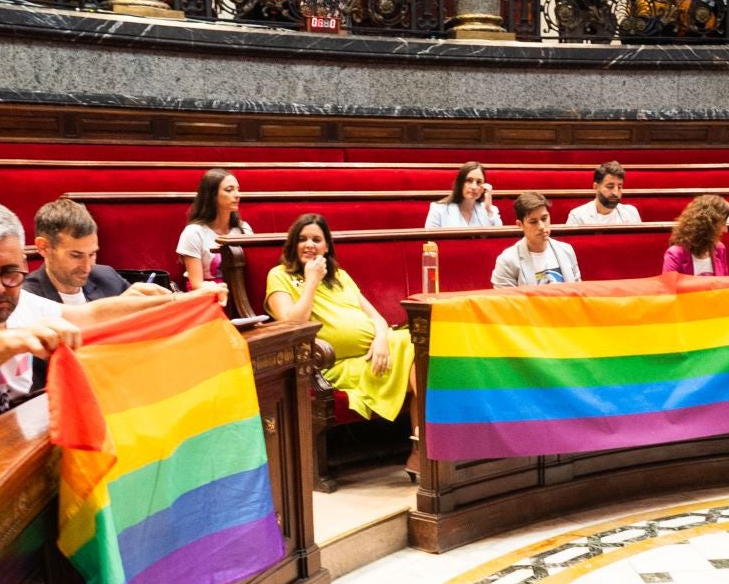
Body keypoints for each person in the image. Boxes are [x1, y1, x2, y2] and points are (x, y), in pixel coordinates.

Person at [0, 201, 194, 414]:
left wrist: (168, 302)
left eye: (10, 272)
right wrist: (19, 338)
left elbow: (88, 315)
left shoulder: (21, 303)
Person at [265, 213, 413, 421]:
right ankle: (425, 447)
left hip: (378, 352)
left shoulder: (340, 276)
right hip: (335, 364)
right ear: (292, 244)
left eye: (316, 240)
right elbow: (292, 326)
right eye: (302, 239)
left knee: (420, 344)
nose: (309, 245)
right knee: (421, 365)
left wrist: (381, 340)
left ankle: (420, 444)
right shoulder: (279, 275)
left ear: (326, 247)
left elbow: (377, 318)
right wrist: (311, 281)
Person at [24, 197, 169, 303]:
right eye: (76, 255)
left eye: (92, 254)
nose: (87, 267)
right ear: (44, 247)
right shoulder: (26, 298)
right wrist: (115, 310)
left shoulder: (107, 277)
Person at [177, 167, 253, 287]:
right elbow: (196, 284)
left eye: (238, 189)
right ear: (212, 196)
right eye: (229, 190)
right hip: (208, 295)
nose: (237, 195)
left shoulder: (244, 229)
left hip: (240, 291)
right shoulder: (193, 232)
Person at [492, 192, 580, 287]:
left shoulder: (566, 250)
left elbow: (578, 291)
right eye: (533, 222)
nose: (541, 226)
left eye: (544, 218)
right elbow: (506, 300)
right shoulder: (507, 261)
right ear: (520, 225)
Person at [663, 195, 729, 275]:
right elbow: (669, 286)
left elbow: (726, 285)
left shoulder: (720, 249)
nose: (726, 230)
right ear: (708, 226)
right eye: (722, 224)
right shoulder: (676, 254)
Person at [425, 162, 502, 228]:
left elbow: (499, 239)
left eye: (479, 182)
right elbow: (430, 242)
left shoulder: (490, 211)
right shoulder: (438, 210)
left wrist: (488, 210)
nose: (474, 187)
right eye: (469, 181)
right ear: (460, 183)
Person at [565, 161, 642, 225]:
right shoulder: (578, 216)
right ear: (595, 187)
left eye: (619, 187)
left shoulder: (631, 212)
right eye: (610, 186)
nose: (615, 193)